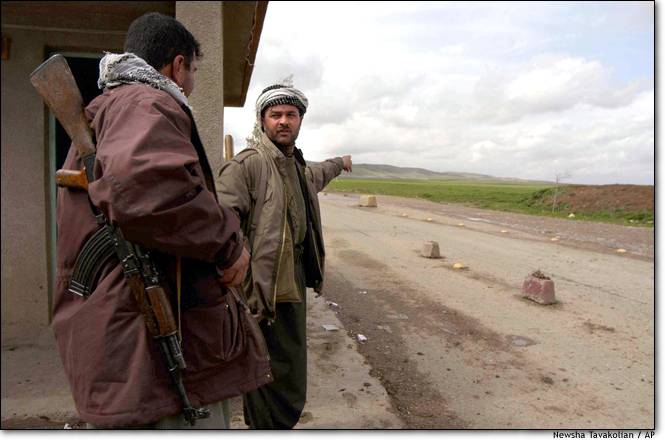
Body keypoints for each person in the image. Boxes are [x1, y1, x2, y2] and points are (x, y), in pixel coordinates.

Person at [52, 12, 271, 429]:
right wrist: (230, 244)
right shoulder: (144, 102)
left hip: (130, 331)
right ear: (177, 64)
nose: (191, 84)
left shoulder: (117, 106)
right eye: (193, 72)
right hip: (145, 337)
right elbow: (145, 190)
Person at [216, 81, 352, 428]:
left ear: (300, 120)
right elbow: (221, 222)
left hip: (293, 279)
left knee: (290, 362)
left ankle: (278, 423)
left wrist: (340, 162)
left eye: (291, 114)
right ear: (262, 120)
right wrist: (236, 268)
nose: (283, 121)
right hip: (261, 286)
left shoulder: (298, 167)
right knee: (265, 364)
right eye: (275, 114)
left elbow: (320, 174)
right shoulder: (247, 166)